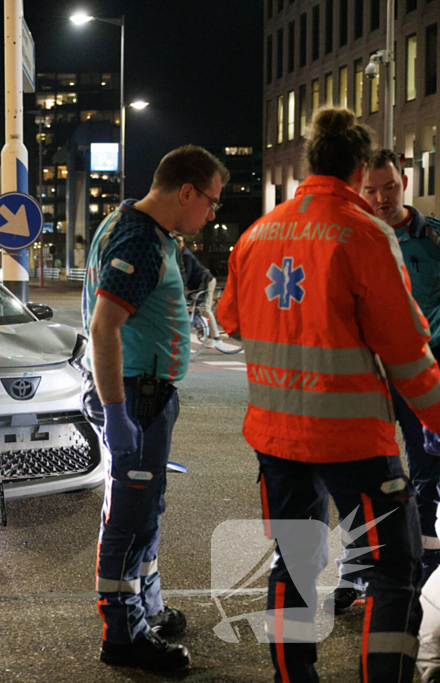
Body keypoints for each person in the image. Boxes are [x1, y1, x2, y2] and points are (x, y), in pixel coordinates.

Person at [217, 109, 440, 682]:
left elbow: (231, 319)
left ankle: (294, 679)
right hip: (353, 439)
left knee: (292, 563)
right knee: (396, 567)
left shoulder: (257, 234)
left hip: (276, 437)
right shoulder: (365, 234)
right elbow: (408, 354)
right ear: (359, 167)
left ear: (309, 163)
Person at [82, 144, 229, 674]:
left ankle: (145, 608)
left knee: (145, 512)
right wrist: (117, 412)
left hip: (146, 397)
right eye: (210, 200)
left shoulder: (138, 228)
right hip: (136, 398)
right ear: (185, 191)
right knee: (128, 517)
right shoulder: (141, 240)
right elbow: (104, 327)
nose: (212, 213)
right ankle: (123, 635)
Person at [326, 149, 440, 615]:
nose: (380, 198)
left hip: (422, 373)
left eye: (388, 187)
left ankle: (425, 572)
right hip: (365, 379)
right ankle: (357, 569)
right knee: (361, 478)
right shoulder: (348, 238)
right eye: (369, 190)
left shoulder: (434, 238)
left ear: (405, 180)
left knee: (427, 474)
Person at [176, 235, 222, 338]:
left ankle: (216, 338)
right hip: (200, 282)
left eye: (180, 241)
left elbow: (185, 275)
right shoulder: (180, 255)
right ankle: (207, 331)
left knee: (207, 309)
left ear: (183, 243)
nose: (177, 243)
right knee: (199, 307)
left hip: (207, 281)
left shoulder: (186, 256)